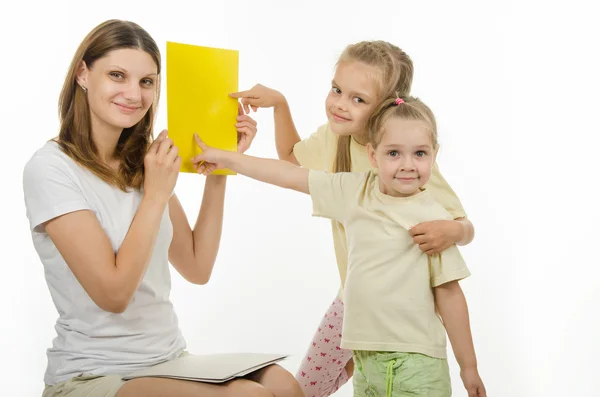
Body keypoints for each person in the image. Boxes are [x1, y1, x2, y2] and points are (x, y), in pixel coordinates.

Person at [22, 19, 303, 397]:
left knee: (282, 384)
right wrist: (155, 195)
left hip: (168, 359)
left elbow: (197, 266)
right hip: (93, 374)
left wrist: (221, 168)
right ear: (83, 74)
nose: (133, 94)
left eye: (147, 82)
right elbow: (114, 294)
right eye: (117, 75)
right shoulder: (51, 168)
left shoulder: (145, 161)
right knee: (246, 395)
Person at [190, 95, 487, 397]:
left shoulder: (434, 218)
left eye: (420, 153)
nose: (407, 165)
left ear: (434, 155)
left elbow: (449, 295)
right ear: (373, 155)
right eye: (394, 153)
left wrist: (469, 367)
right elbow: (289, 175)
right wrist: (227, 159)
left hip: (416, 364)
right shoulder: (354, 192)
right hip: (365, 359)